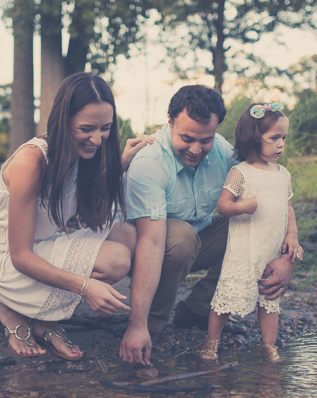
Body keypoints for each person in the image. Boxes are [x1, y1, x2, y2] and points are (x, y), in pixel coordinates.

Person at [0, 73, 153, 361]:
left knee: (128, 235)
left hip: (41, 247)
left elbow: (84, 194)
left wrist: (121, 161)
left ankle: (44, 321)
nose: (97, 139)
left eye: (105, 128)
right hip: (6, 259)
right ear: (63, 120)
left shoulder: (81, 154)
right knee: (116, 259)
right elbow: (20, 255)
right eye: (86, 128)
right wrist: (85, 287)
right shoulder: (30, 162)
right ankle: (10, 306)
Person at [120, 86, 297, 365]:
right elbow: (151, 242)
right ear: (169, 121)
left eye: (206, 140)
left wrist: (288, 258)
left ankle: (197, 310)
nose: (196, 149)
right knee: (182, 236)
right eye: (187, 138)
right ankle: (152, 323)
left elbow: (271, 196)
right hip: (143, 248)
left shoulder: (222, 152)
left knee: (247, 223)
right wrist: (136, 325)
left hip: (198, 240)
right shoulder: (149, 163)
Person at [200, 102, 303, 362]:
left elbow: (287, 206)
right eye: (274, 138)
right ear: (254, 138)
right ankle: (211, 343)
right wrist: (243, 206)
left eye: (284, 138)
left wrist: (292, 236)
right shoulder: (241, 173)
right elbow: (222, 205)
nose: (281, 144)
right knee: (225, 297)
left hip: (271, 250)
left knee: (269, 301)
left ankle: (270, 348)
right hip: (244, 250)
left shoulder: (283, 174)